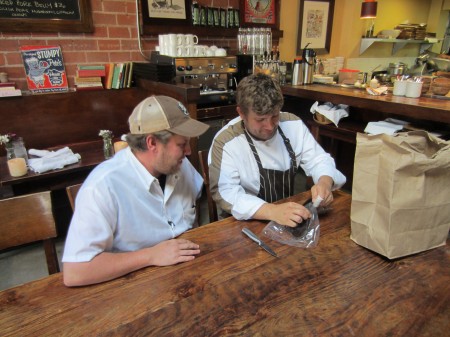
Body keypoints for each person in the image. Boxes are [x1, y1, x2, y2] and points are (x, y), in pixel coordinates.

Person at [62, 95, 209, 287]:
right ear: (152, 143)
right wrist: (150, 255)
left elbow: (194, 204)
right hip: (132, 285)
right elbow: (76, 272)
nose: (188, 151)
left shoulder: (179, 165)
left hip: (188, 275)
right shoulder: (103, 186)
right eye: (182, 144)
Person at [208, 73, 346, 227]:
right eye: (260, 120)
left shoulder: (293, 124)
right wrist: (272, 211)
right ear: (241, 113)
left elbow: (319, 159)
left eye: (274, 116)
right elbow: (227, 193)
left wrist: (324, 183)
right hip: (244, 222)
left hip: (286, 216)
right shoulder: (226, 142)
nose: (270, 126)